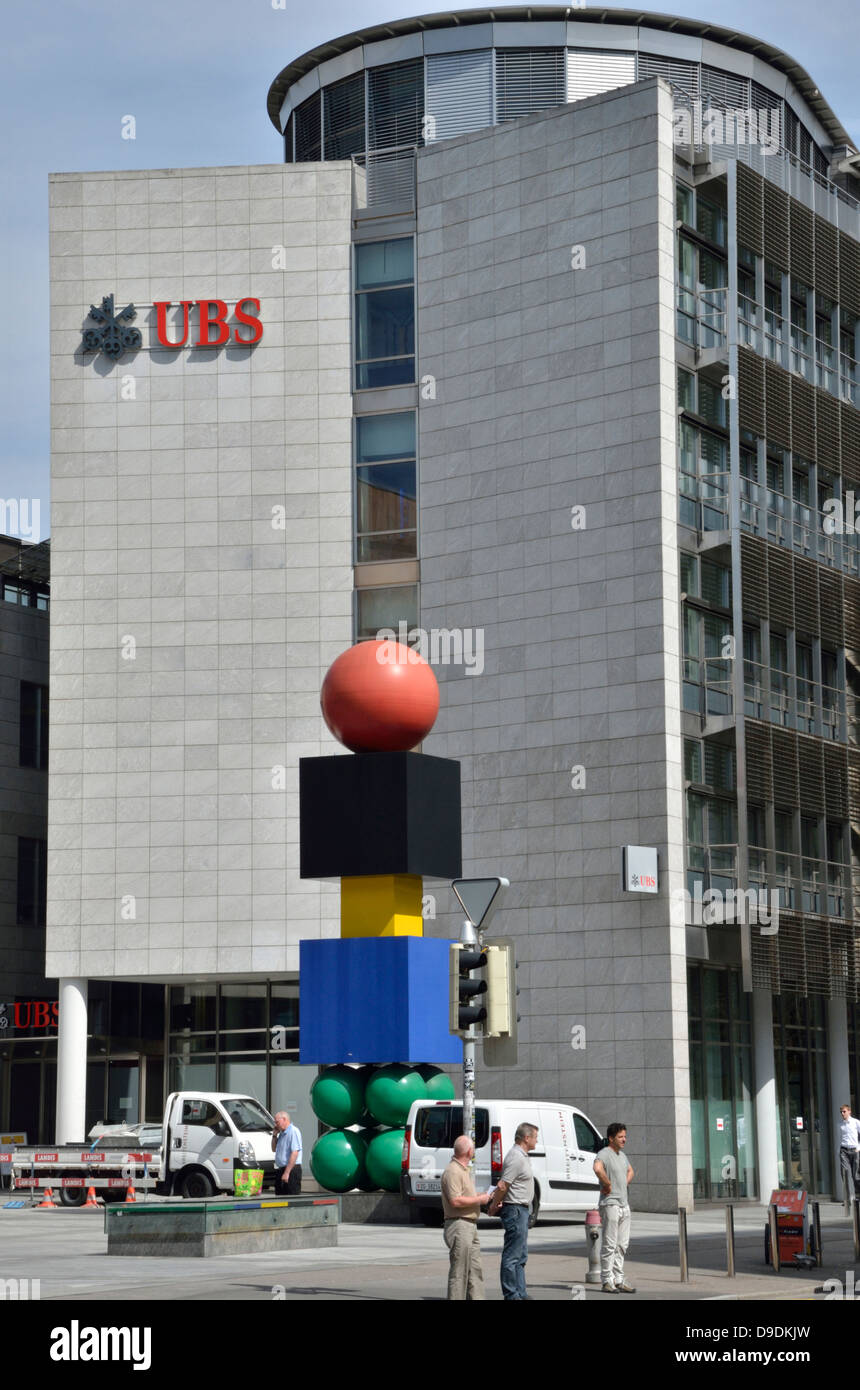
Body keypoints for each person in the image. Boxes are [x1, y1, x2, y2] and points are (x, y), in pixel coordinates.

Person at [488, 1122, 539, 1300]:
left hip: (522, 1210)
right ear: (526, 1138)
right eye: (535, 1138)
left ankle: (520, 1293)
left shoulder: (522, 1156)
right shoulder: (516, 1157)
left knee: (521, 1256)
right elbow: (503, 1184)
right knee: (512, 1256)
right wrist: (494, 1205)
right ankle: (511, 1295)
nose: (536, 1141)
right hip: (515, 1210)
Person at [440, 1135, 492, 1300]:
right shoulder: (453, 1171)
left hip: (469, 1224)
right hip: (459, 1225)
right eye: (473, 1148)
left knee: (474, 1270)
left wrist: (483, 1197)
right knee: (460, 1272)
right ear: (469, 1151)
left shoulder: (462, 1170)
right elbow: (455, 1200)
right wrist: (479, 1199)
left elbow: (465, 1196)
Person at [594, 1122, 635, 1293]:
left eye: (625, 1136)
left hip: (624, 1205)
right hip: (610, 1204)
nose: (624, 1139)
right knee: (610, 1244)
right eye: (620, 1137)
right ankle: (606, 1280)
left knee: (622, 1245)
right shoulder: (604, 1153)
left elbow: (631, 1171)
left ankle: (619, 1279)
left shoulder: (622, 1155)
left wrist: (623, 1183)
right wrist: (607, 1183)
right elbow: (597, 1168)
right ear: (611, 1138)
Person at [271, 1110, 302, 1194]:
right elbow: (273, 1149)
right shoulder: (282, 1133)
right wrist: (274, 1135)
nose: (276, 1124)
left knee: (290, 1197)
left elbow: (295, 1153)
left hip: (291, 1170)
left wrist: (287, 1172)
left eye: (277, 1122)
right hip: (281, 1169)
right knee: (279, 1198)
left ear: (284, 1119)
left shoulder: (293, 1131)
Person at [838, 1103, 860, 1202]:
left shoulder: (856, 1122)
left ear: (849, 1111)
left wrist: (858, 1148)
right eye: (841, 1112)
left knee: (856, 1175)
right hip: (844, 1151)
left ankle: (857, 1196)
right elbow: (839, 1138)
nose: (842, 1113)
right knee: (845, 1174)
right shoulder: (840, 1124)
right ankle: (848, 1198)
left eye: (844, 1111)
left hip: (855, 1150)